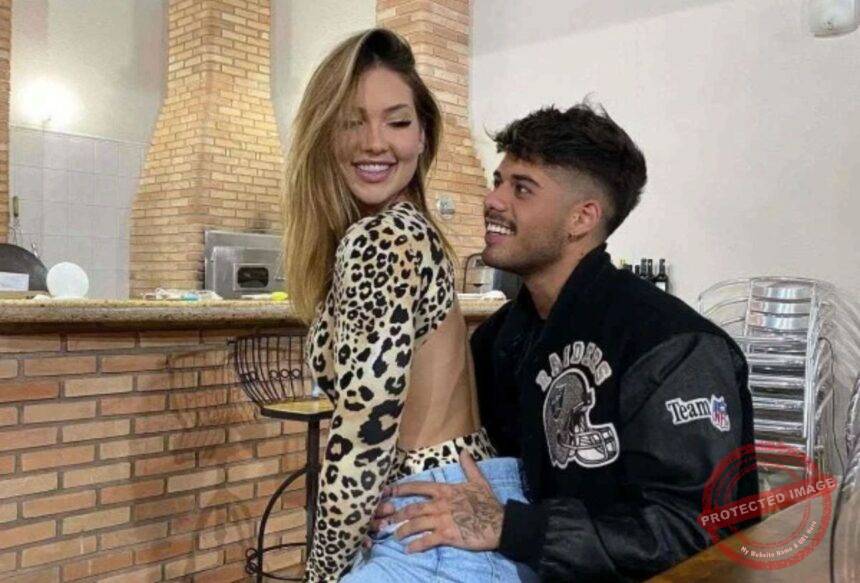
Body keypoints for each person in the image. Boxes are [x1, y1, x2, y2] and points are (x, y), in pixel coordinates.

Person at [372, 103, 759, 581]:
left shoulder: (674, 347)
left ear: (582, 218)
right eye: (498, 181)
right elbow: (473, 466)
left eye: (522, 188)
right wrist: (398, 504)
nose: (493, 200)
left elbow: (697, 530)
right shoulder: (499, 339)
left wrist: (517, 528)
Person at [283, 28, 537, 582]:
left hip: (431, 526)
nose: (375, 142)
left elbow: (363, 435)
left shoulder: (382, 237)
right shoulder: (410, 230)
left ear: (423, 135)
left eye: (397, 122)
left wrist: (321, 570)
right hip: (458, 499)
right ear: (324, 134)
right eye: (352, 121)